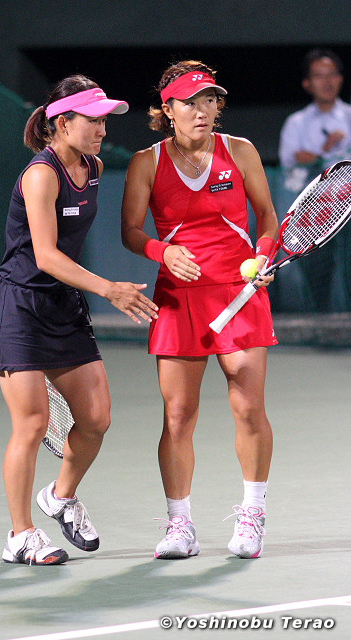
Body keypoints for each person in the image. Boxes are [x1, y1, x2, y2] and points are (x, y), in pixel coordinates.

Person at [0, 74, 158, 565]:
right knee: (32, 423)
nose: (102, 129)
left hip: (63, 308)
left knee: (96, 420)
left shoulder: (93, 167)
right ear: (62, 123)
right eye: (93, 120)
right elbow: (45, 255)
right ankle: (20, 535)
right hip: (20, 308)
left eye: (104, 120)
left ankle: (60, 496)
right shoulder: (41, 174)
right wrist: (108, 288)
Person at [121, 60, 278, 560]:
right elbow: (131, 232)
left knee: (248, 407)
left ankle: (252, 515)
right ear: (167, 110)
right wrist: (161, 251)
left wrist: (264, 255)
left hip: (238, 293)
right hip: (179, 298)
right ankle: (180, 525)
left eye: (209, 100)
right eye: (190, 102)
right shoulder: (146, 162)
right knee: (178, 416)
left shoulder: (241, 151)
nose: (202, 110)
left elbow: (267, 217)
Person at [279, 49, 351, 311]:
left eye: (331, 74)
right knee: (317, 277)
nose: (326, 81)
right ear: (307, 83)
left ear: (340, 79)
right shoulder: (296, 123)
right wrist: (325, 150)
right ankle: (320, 325)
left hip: (349, 209)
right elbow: (292, 160)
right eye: (319, 76)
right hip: (316, 215)